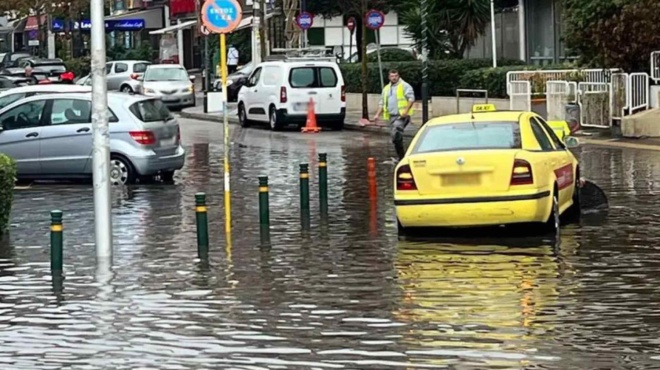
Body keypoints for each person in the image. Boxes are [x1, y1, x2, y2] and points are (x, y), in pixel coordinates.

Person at [373, 69, 415, 161]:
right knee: (395, 139)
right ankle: (402, 157)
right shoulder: (386, 89)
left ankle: (403, 157)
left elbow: (411, 99)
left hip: (402, 116)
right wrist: (377, 115)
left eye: (396, 76)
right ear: (389, 77)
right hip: (391, 117)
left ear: (398, 76)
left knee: (396, 133)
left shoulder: (404, 86)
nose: (394, 78)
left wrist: (405, 111)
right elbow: (382, 103)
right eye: (392, 76)